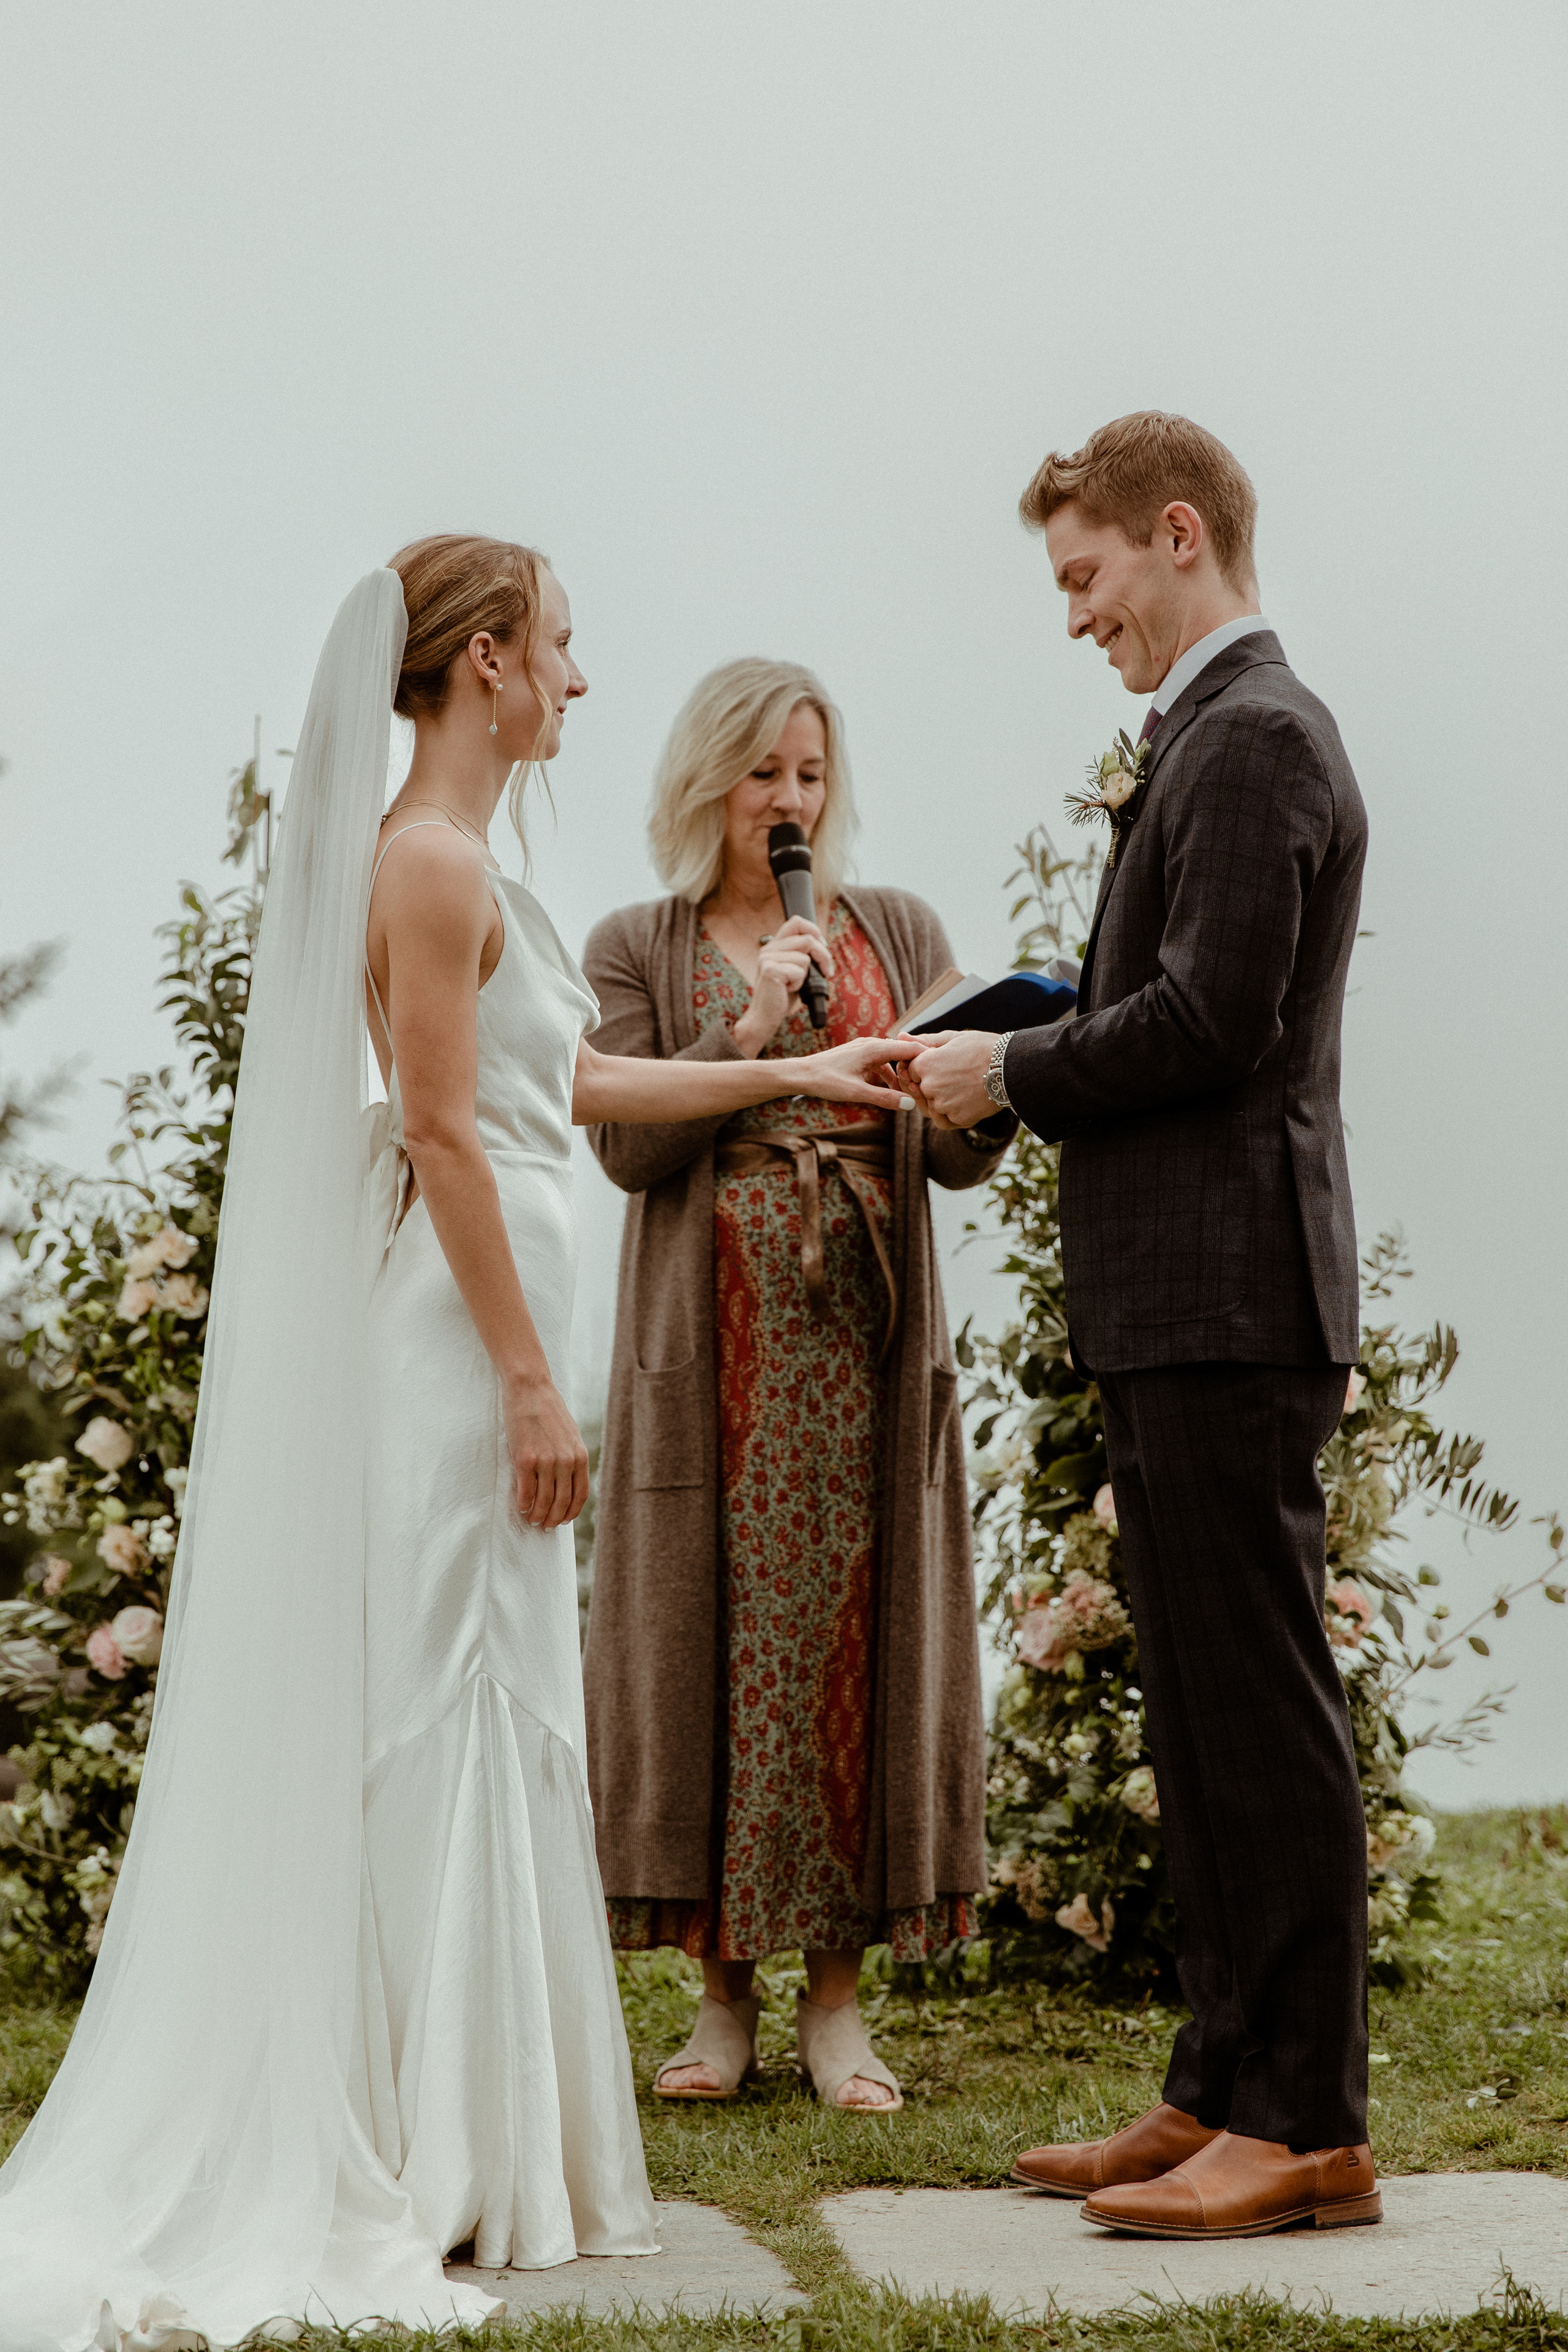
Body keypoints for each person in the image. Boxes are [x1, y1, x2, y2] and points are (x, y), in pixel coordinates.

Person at [0, 543, 920, 2348]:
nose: (580, 685)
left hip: (485, 1333)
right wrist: (519, 1373)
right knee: (460, 1702)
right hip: (452, 1351)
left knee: (503, 1700)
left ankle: (486, 2147)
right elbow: (438, 1134)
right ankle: (437, 2150)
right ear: (485, 660)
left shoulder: (470, 864)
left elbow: (562, 1090)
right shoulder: (424, 865)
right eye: (562, 649)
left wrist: (786, 1076)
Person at [910, 415, 1379, 2239]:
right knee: (1196, 1711)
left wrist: (1006, 1061)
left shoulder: (1258, 734)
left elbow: (1216, 1023)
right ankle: (1218, 2087)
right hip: (1181, 1295)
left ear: (1176, 537)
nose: (1076, 616)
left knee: (1260, 1710)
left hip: (1234, 1295)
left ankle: (1313, 2123)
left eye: (1086, 577)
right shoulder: (1214, 735)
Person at [579, 658, 1013, 2114]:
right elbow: (628, 1151)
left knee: (851, 1648)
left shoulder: (893, 929)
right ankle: (720, 2009)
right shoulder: (637, 944)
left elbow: (954, 1156)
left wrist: (983, 1070)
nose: (791, 803)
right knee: (716, 1647)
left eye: (811, 777)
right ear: (708, 782)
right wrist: (756, 1032)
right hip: (716, 1352)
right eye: (766, 773)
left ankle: (837, 2012)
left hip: (866, 1355)